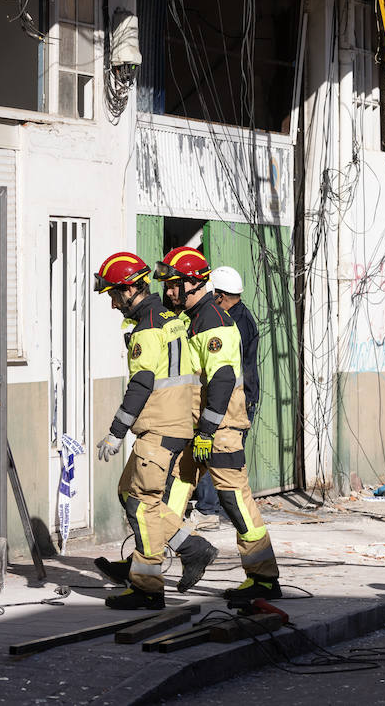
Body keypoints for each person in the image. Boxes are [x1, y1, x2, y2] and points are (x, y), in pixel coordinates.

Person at [90, 251, 218, 610]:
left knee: (143, 505)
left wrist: (117, 430)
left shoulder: (147, 327)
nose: (114, 304)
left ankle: (147, 587)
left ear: (131, 289)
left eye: (115, 294)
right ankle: (192, 547)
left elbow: (142, 381)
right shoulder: (170, 318)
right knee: (129, 494)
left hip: (159, 429)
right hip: (176, 425)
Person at [156, 247, 282, 605]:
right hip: (200, 426)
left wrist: (209, 431)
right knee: (175, 488)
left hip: (220, 427)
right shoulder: (195, 317)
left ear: (194, 284)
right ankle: (150, 563)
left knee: (233, 498)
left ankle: (262, 578)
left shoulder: (213, 320)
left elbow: (223, 379)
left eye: (174, 285)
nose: (169, 292)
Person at [188, 265, 261, 524]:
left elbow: (223, 373)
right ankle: (210, 507)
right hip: (238, 398)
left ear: (219, 295)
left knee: (217, 453)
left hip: (231, 402)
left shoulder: (229, 321)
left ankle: (208, 510)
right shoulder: (240, 315)